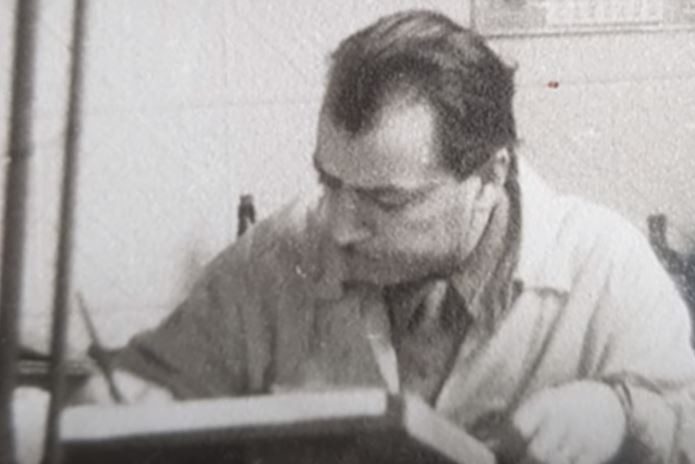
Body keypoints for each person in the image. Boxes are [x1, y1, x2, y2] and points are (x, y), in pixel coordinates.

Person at [81, 10, 695, 464]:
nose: (341, 226)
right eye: (330, 181)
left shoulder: (602, 266)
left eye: (386, 199)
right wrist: (115, 412)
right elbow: (142, 386)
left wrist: (620, 413)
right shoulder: (280, 252)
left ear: (490, 175)